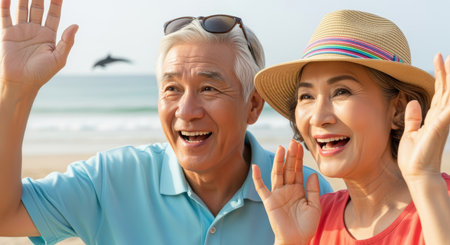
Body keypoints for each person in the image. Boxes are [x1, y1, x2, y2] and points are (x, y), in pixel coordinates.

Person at [0, 0, 333, 244]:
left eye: (208, 88)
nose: (187, 110)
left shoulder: (305, 193)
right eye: (172, 88)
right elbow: (5, 215)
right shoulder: (110, 180)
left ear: (254, 106)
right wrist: (15, 91)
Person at [252, 9, 450, 245]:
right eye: (306, 96)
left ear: (398, 109)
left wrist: (424, 180)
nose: (318, 117)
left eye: (341, 92)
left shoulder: (440, 199)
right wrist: (289, 241)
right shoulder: (313, 218)